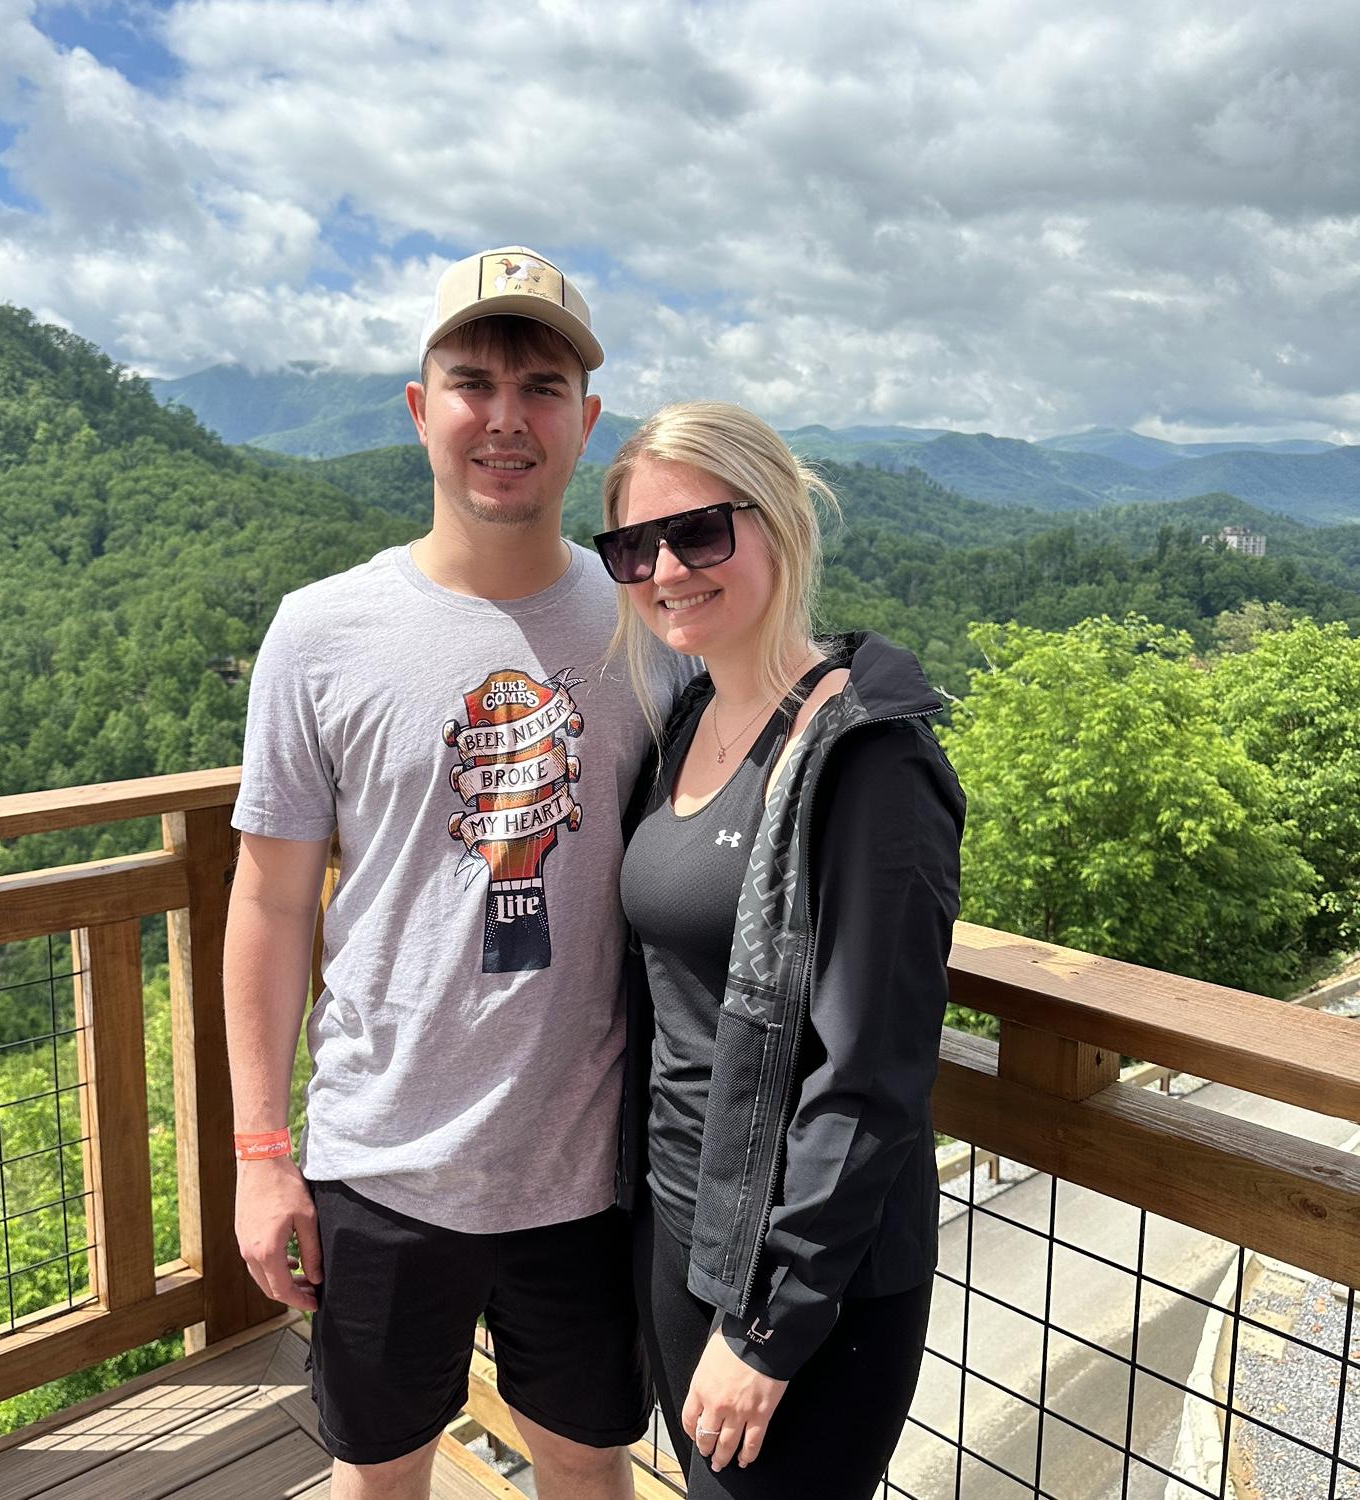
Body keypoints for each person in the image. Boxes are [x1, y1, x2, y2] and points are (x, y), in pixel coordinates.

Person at [225, 246, 687, 1500]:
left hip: (588, 1166)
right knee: (380, 1472)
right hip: (380, 1159)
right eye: (473, 383)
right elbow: (269, 900)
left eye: (542, 388)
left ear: (586, 420)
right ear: (419, 408)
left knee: (587, 1463)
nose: (505, 418)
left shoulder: (654, 624)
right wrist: (261, 1150)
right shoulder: (320, 632)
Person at [596, 402, 965, 1498]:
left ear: (783, 522)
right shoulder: (688, 719)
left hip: (806, 1278)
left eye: (699, 531)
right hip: (679, 1221)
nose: (666, 569)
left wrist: (768, 1328)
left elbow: (873, 1071)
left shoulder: (869, 759)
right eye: (634, 548)